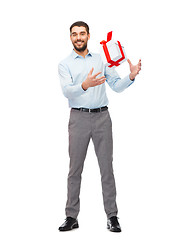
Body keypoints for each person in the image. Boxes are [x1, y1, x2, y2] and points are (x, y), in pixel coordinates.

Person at [58, 21, 141, 232]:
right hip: (78, 119)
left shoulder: (101, 59)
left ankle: (112, 216)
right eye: (74, 34)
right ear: (70, 37)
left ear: (88, 36)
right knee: (75, 169)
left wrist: (130, 76)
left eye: (82, 33)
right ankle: (71, 216)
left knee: (107, 168)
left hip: (102, 118)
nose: (78, 37)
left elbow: (115, 86)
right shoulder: (65, 64)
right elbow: (67, 91)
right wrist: (85, 84)